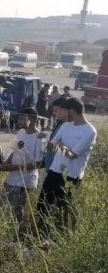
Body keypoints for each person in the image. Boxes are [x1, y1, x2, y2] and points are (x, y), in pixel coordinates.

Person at [36, 97, 97, 232]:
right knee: (42, 205)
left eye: (64, 111)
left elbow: (72, 155)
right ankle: (41, 234)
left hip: (70, 176)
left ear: (72, 111)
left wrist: (60, 146)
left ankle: (58, 237)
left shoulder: (90, 131)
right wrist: (62, 147)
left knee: (63, 210)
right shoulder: (66, 125)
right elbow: (50, 146)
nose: (62, 114)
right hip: (54, 171)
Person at [0, 107, 46, 235]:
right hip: (12, 178)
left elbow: (39, 163)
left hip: (25, 181)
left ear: (32, 120)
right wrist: (6, 163)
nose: (18, 120)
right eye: (19, 117)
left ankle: (19, 237)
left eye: (22, 118)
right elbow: (16, 151)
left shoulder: (40, 137)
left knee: (18, 212)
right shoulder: (21, 132)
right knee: (5, 209)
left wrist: (14, 168)